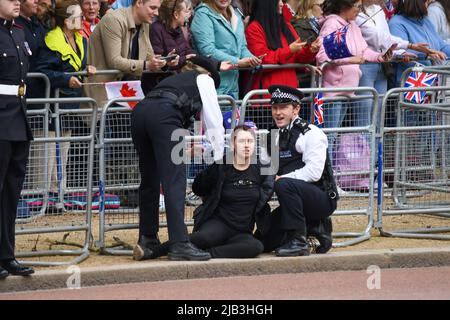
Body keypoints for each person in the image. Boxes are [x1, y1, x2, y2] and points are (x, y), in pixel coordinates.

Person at [131, 56, 231, 261]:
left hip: (140, 113)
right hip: (165, 117)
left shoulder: (178, 79)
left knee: (150, 180)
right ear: (211, 74)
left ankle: (147, 238)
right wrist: (220, 159)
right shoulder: (205, 80)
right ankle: (179, 243)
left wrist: (207, 148)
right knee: (174, 181)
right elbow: (213, 121)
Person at [134, 125, 274, 260]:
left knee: (255, 247)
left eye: (250, 141)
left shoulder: (260, 169)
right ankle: (152, 251)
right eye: (242, 141)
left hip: (242, 231)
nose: (246, 145)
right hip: (219, 224)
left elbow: (270, 185)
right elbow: (198, 188)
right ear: (233, 145)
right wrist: (212, 171)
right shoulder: (222, 166)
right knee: (201, 238)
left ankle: (208, 253)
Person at [256, 85, 338, 256]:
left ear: (296, 109)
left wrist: (280, 179)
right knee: (262, 243)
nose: (278, 113)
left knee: (284, 184)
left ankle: (299, 242)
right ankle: (315, 227)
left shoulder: (310, 133)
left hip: (320, 199)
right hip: (293, 203)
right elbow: (265, 173)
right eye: (275, 108)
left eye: (283, 107)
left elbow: (313, 172)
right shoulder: (271, 136)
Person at [34, 0, 96, 196]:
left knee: (64, 149)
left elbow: (76, 67)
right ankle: (40, 195)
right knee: (47, 151)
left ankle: (58, 191)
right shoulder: (51, 40)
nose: (82, 19)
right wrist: (65, 79)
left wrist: (86, 70)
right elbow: (43, 72)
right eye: (78, 17)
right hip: (52, 104)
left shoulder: (81, 40)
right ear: (66, 21)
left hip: (70, 104)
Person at [85, 0, 177, 107]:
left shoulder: (144, 23)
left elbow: (149, 56)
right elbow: (114, 61)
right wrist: (146, 64)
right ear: (139, 2)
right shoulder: (114, 19)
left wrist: (165, 62)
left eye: (157, 8)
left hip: (125, 91)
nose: (156, 13)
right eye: (152, 8)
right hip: (103, 94)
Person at [0, 0, 35, 279]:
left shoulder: (19, 31)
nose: (17, 2)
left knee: (11, 193)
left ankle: (6, 255)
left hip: (19, 117)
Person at [245, 0, 320, 94]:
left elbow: (298, 56)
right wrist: (289, 50)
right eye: (278, 1)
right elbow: (261, 59)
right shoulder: (254, 28)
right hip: (267, 95)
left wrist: (310, 50)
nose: (282, 4)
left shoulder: (286, 26)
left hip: (290, 91)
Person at [190, 0, 261, 98]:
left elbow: (242, 47)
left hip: (233, 87)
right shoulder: (202, 15)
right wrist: (238, 62)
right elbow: (207, 50)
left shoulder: (235, 14)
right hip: (212, 86)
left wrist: (252, 59)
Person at [388, 0, 450, 86]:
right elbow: (401, 51)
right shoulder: (396, 23)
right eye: (426, 1)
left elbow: (441, 45)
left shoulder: (425, 21)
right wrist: (427, 54)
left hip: (430, 81)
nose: (429, 2)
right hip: (410, 84)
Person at [149, 0, 194, 71]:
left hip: (180, 72)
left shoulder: (178, 28)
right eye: (186, 11)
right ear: (176, 14)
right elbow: (159, 62)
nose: (189, 15)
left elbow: (188, 51)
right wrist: (185, 59)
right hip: (165, 76)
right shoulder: (156, 29)